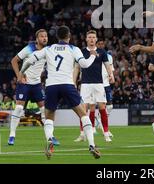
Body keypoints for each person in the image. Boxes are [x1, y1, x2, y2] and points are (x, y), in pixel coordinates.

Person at [21, 25, 101, 159]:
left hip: (52, 86)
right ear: (69, 36)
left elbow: (29, 60)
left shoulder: (48, 48)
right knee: (83, 114)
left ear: (57, 37)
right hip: (67, 85)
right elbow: (85, 65)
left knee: (49, 117)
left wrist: (22, 73)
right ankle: (92, 145)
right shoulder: (73, 49)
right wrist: (92, 55)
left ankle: (50, 139)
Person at [9, 29, 59, 146]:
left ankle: (50, 137)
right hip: (24, 84)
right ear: (37, 39)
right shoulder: (29, 48)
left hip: (37, 84)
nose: (44, 38)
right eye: (42, 36)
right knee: (19, 109)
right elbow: (14, 61)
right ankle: (12, 136)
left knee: (44, 110)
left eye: (46, 36)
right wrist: (19, 76)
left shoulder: (48, 50)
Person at [73, 30, 114, 142]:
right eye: (89, 37)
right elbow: (77, 68)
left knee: (102, 108)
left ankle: (106, 133)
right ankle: (82, 134)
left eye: (93, 37)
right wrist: (74, 81)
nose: (91, 39)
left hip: (99, 84)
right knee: (83, 109)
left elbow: (107, 65)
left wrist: (110, 75)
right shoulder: (81, 52)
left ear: (96, 39)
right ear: (86, 39)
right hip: (85, 84)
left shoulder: (102, 52)